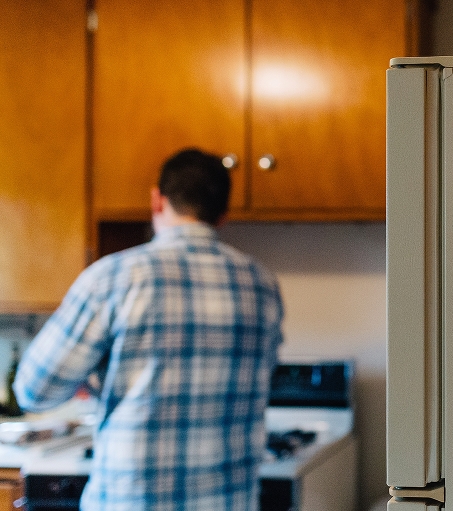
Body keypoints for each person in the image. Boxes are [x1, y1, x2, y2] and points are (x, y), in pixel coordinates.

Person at [14, 148, 284, 511]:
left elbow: (34, 390)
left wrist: (95, 380)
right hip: (229, 500)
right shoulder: (262, 284)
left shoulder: (115, 277)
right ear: (222, 215)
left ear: (157, 199)